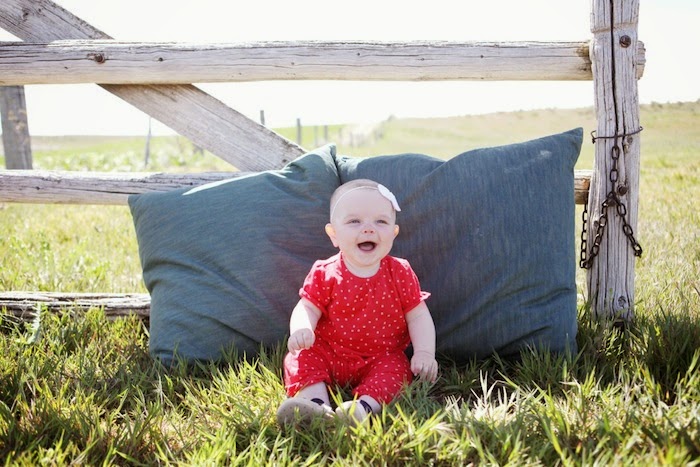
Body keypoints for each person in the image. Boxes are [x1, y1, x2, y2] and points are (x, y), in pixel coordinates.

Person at [276, 178, 438, 426]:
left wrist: (425, 352)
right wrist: (302, 328)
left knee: (397, 370)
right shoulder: (325, 272)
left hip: (380, 356)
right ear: (334, 234)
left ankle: (361, 409)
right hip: (329, 351)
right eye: (354, 221)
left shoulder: (400, 272)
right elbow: (307, 306)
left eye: (381, 221)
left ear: (394, 233)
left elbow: (417, 315)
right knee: (300, 356)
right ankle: (315, 405)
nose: (368, 229)